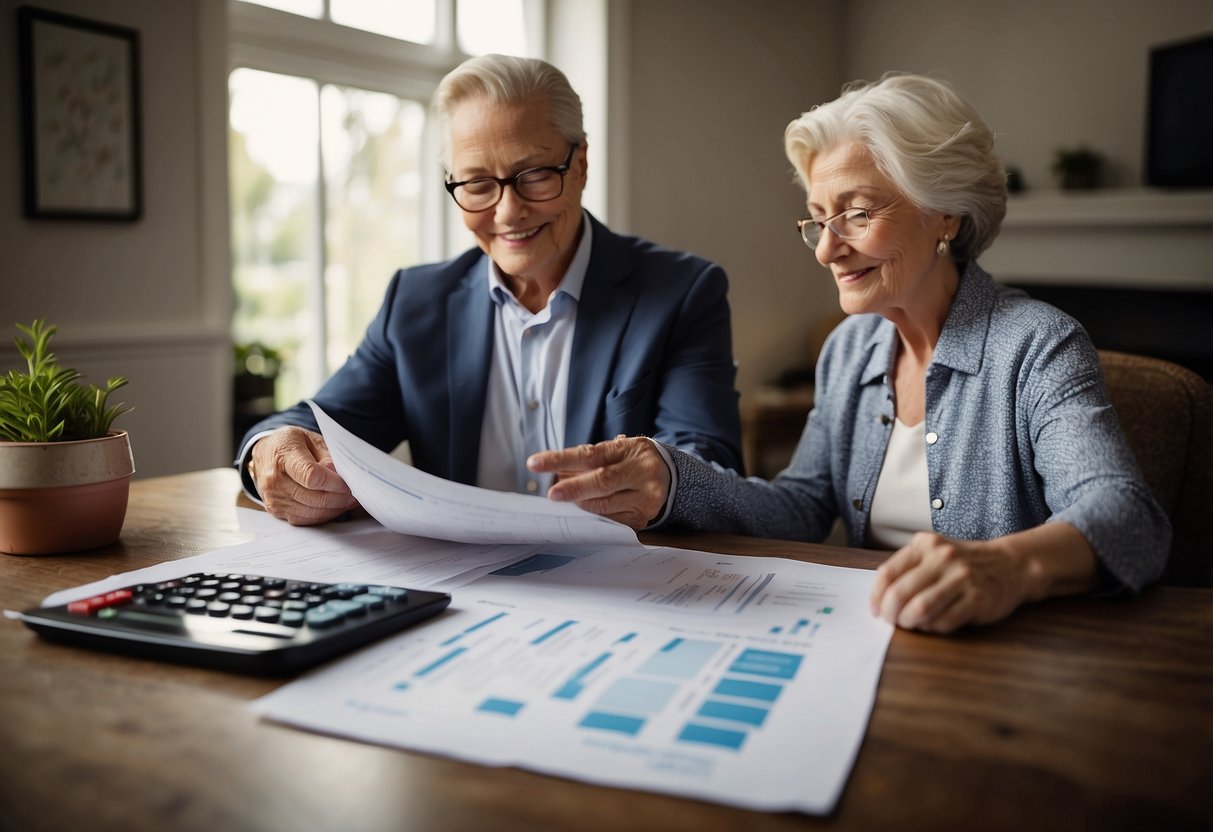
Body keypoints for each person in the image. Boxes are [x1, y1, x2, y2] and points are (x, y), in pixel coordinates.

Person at [528, 73, 1171, 634]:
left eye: (856, 214)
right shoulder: (849, 351)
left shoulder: (1037, 346)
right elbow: (801, 510)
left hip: (1010, 661)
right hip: (878, 643)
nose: (824, 250)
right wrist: (674, 482)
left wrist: (1005, 566)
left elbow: (1126, 517)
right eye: (816, 218)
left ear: (944, 214)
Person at [236, 54, 743, 525]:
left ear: (581, 165)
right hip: (458, 597)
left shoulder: (683, 292)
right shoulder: (415, 302)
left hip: (628, 587)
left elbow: (709, 463)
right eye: (477, 184)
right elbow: (321, 423)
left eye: (535, 175)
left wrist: (664, 477)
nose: (507, 212)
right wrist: (268, 450)